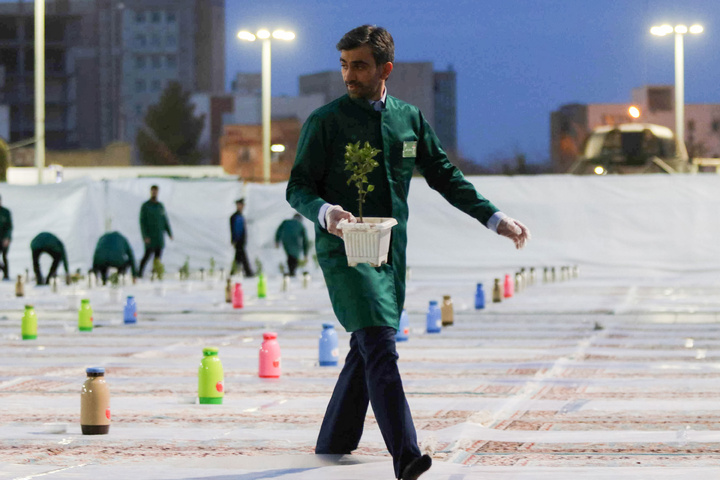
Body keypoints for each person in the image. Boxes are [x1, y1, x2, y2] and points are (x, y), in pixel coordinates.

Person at [286, 25, 530, 480]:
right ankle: (407, 455)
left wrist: (494, 218)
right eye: (344, 65)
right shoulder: (325, 122)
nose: (349, 75)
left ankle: (333, 441)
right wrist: (326, 214)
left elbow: (444, 174)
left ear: (386, 69)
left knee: (366, 347)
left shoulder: (408, 119)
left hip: (392, 254)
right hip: (345, 252)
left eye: (359, 65)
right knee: (379, 341)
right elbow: (297, 186)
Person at [138, 185, 173, 277]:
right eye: (153, 191)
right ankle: (139, 273)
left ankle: (156, 274)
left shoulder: (160, 206)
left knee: (158, 258)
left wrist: (169, 233)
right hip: (150, 237)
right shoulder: (146, 206)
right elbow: (142, 222)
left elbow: (165, 220)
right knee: (147, 255)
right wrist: (145, 236)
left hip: (159, 237)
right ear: (150, 192)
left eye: (156, 191)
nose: (154, 193)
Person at [229, 198, 254, 277]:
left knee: (239, 257)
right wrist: (234, 239)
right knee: (242, 257)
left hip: (241, 240)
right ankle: (248, 272)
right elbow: (234, 230)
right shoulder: (235, 217)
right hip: (238, 240)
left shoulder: (240, 216)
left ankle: (234, 272)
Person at [0, 194, 12, 280]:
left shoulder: (5, 212)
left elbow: (9, 226)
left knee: (4, 256)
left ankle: (6, 274)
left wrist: (7, 238)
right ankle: (3, 269)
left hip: (4, 238)